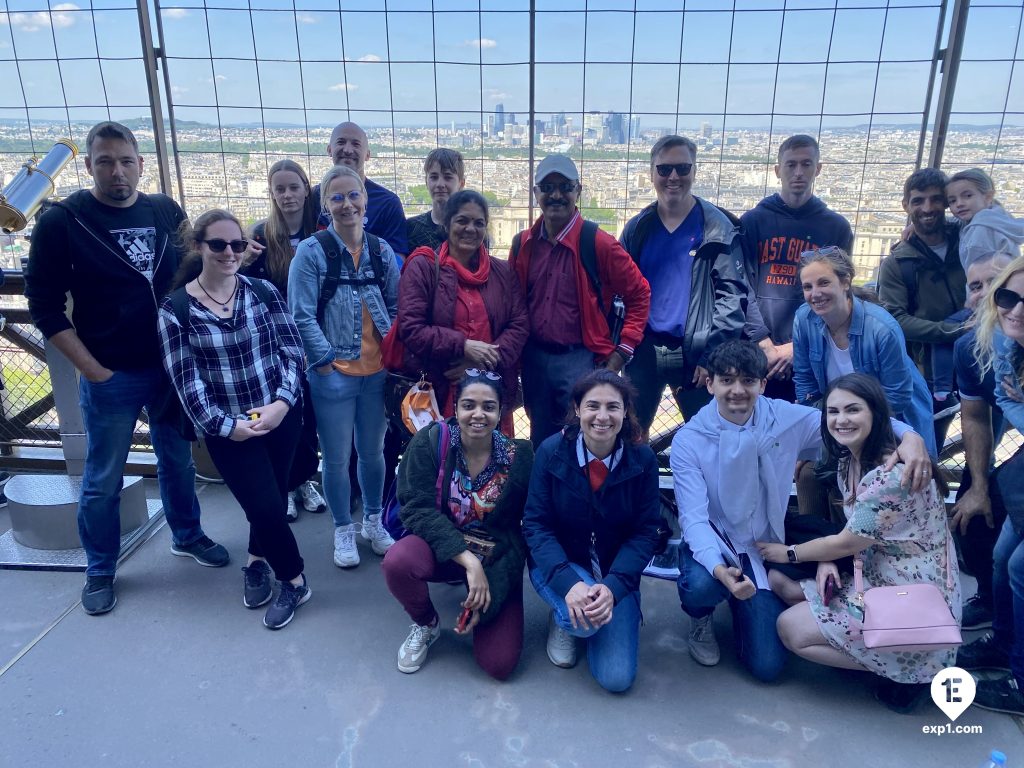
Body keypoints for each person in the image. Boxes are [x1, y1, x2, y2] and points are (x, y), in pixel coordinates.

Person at [24, 121, 227, 616]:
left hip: (169, 367)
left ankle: (187, 534)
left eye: (126, 160)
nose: (117, 172)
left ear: (140, 163)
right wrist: (93, 371)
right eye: (105, 162)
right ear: (90, 166)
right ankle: (100, 568)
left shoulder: (164, 210)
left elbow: (193, 272)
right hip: (111, 371)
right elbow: (44, 306)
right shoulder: (63, 221)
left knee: (176, 460)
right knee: (103, 476)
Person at [671, 341, 929, 683]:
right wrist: (719, 569)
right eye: (727, 380)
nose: (737, 391)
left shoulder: (783, 418)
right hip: (717, 543)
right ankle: (702, 614)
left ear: (762, 385)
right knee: (701, 586)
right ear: (710, 384)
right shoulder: (689, 440)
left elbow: (846, 419)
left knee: (767, 667)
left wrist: (910, 436)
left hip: (766, 544)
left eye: (748, 381)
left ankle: (760, 602)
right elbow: (694, 518)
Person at [757, 373, 959, 713]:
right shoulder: (849, 460)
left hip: (913, 595)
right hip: (873, 572)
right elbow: (853, 535)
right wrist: (826, 561)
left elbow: (847, 540)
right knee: (783, 585)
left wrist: (791, 553)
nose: (841, 419)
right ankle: (883, 653)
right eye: (833, 412)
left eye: (853, 410)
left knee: (790, 628)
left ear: (876, 414)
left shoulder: (890, 476)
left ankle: (914, 670)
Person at [157, 209, 311, 630]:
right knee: (262, 504)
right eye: (219, 245)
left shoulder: (261, 291)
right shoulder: (177, 310)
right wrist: (228, 426)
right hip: (228, 426)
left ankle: (256, 560)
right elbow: (186, 382)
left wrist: (281, 405)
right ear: (198, 247)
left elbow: (292, 352)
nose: (229, 253)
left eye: (237, 245)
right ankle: (293, 578)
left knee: (272, 500)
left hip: (279, 414)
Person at [382, 371, 534, 679]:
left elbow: (520, 535)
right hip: (441, 548)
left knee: (499, 665)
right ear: (456, 408)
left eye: (488, 407)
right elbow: (416, 508)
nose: (478, 414)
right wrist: (468, 563)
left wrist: (487, 597)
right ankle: (426, 623)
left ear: (500, 410)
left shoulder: (519, 457)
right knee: (398, 561)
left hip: (493, 557)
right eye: (469, 405)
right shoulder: (431, 441)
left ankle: (478, 602)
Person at [523, 369, 663, 693]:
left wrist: (614, 587)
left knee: (616, 679)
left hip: (614, 573)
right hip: (561, 565)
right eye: (592, 406)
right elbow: (536, 525)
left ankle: (590, 612)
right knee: (583, 624)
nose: (602, 416)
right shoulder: (550, 451)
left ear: (625, 411)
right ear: (577, 409)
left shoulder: (642, 459)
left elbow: (645, 532)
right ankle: (563, 616)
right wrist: (568, 584)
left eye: (613, 407)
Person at [289, 165, 400, 569]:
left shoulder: (381, 251)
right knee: (336, 458)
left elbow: (396, 306)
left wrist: (391, 355)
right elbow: (300, 314)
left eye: (353, 195)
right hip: (333, 372)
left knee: (372, 453)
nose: (347, 204)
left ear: (365, 199)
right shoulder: (312, 252)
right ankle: (342, 528)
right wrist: (323, 365)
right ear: (325, 205)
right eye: (337, 197)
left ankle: (371, 520)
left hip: (376, 372)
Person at [509, 154, 650, 447]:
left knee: (583, 438)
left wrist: (621, 352)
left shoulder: (598, 242)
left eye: (565, 186)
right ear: (535, 193)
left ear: (578, 191)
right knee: (541, 436)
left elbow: (639, 293)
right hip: (535, 356)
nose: (556, 195)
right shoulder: (523, 243)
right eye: (547, 187)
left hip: (581, 355)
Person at [619, 135, 747, 433]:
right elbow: (618, 290)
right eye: (664, 170)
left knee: (707, 437)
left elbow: (732, 297)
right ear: (651, 174)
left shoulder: (716, 227)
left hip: (695, 353)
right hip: (644, 348)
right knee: (630, 434)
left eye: (682, 168)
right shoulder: (638, 228)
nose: (673, 177)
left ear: (694, 171)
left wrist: (711, 357)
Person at [398, 190, 527, 432]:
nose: (470, 229)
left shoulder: (503, 272)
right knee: (443, 460)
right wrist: (464, 346)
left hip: (491, 388)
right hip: (440, 387)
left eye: (479, 223)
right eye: (462, 221)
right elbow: (411, 328)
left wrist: (483, 361)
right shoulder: (423, 267)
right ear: (446, 224)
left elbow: (519, 324)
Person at [792, 246, 936, 457]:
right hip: (839, 420)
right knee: (808, 473)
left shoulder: (881, 328)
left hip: (891, 421)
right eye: (807, 287)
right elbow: (806, 384)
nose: (815, 294)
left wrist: (853, 427)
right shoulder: (804, 320)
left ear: (845, 282)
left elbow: (897, 395)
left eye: (824, 283)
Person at [741, 134, 854, 402]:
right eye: (791, 165)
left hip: (812, 345)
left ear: (818, 168)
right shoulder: (753, 221)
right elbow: (740, 286)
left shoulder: (835, 227)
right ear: (778, 170)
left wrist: (796, 346)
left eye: (806, 164)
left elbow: (839, 292)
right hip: (757, 346)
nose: (799, 172)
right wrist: (763, 343)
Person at [246, 158, 326, 521]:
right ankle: (287, 482)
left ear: (306, 189)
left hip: (318, 337)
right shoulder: (260, 237)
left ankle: (302, 478)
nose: (288, 195)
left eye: (294, 187)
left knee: (308, 416)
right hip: (274, 343)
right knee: (283, 413)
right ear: (272, 194)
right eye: (280, 189)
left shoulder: (323, 231)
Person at [962, 255, 1024, 717]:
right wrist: (983, 483)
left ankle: (1020, 681)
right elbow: (985, 417)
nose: (1015, 309)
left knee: (1019, 568)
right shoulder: (995, 349)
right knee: (1003, 559)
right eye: (1008, 297)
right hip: (1019, 472)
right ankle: (1004, 644)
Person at [949, 253, 1016, 632]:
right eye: (976, 286)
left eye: (995, 283)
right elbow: (974, 417)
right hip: (1009, 448)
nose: (986, 293)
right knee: (970, 515)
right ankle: (991, 602)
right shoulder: (969, 349)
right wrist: (978, 485)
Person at [878, 168, 967, 434]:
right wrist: (954, 331)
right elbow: (895, 320)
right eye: (918, 200)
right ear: (906, 205)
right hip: (928, 368)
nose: (927, 208)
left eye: (936, 199)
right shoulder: (897, 263)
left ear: (948, 202)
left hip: (975, 355)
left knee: (982, 438)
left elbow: (994, 213)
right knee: (930, 439)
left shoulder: (971, 238)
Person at [313, 121, 408, 260]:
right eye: (341, 142)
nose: (347, 150)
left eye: (356, 144)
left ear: (368, 155)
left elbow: (397, 259)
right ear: (329, 150)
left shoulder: (388, 203)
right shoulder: (314, 196)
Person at [946, 168, 1024, 272]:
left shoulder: (980, 234)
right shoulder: (996, 216)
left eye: (968, 196)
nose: (959, 203)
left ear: (988, 197)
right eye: (952, 201)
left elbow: (978, 277)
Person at [406, 148, 466, 252]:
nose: (440, 184)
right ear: (426, 182)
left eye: (447, 177)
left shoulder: (469, 230)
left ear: (461, 184)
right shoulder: (410, 228)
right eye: (434, 177)